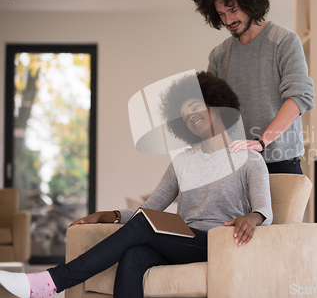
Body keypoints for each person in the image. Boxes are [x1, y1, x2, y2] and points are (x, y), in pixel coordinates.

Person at [0, 71, 272, 298]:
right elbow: (151, 208)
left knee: (143, 228)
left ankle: (52, 281)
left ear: (217, 106)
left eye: (196, 107)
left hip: (217, 243)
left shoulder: (248, 157)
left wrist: (253, 216)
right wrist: (111, 216)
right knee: (133, 255)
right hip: (183, 240)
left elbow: (264, 210)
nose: (190, 116)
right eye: (184, 116)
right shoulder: (183, 162)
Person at [192, 0, 315, 174]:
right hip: (235, 163)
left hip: (280, 160)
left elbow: (299, 98)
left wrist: (261, 142)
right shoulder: (220, 55)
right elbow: (211, 109)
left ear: (250, 4)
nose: (228, 20)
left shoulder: (284, 41)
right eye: (221, 14)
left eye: (233, 10)